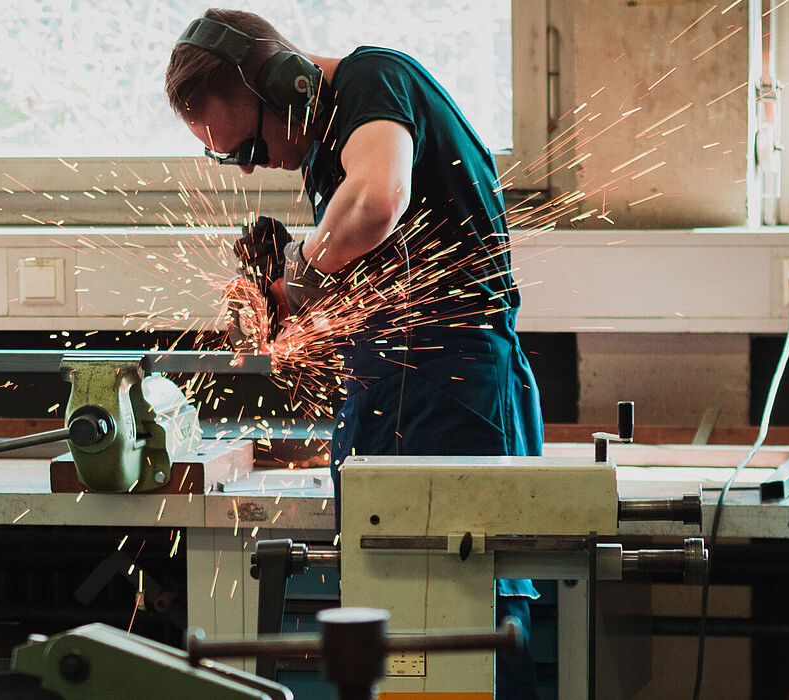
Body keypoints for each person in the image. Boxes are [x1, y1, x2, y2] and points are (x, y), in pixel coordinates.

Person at [165, 9, 544, 698]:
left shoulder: (374, 83)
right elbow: (363, 274)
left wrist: (301, 264)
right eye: (232, 160)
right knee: (393, 637)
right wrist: (279, 300)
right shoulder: (325, 150)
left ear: (283, 80)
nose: (257, 165)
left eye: (247, 147)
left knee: (464, 630)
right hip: (393, 391)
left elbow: (377, 202)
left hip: (448, 390)